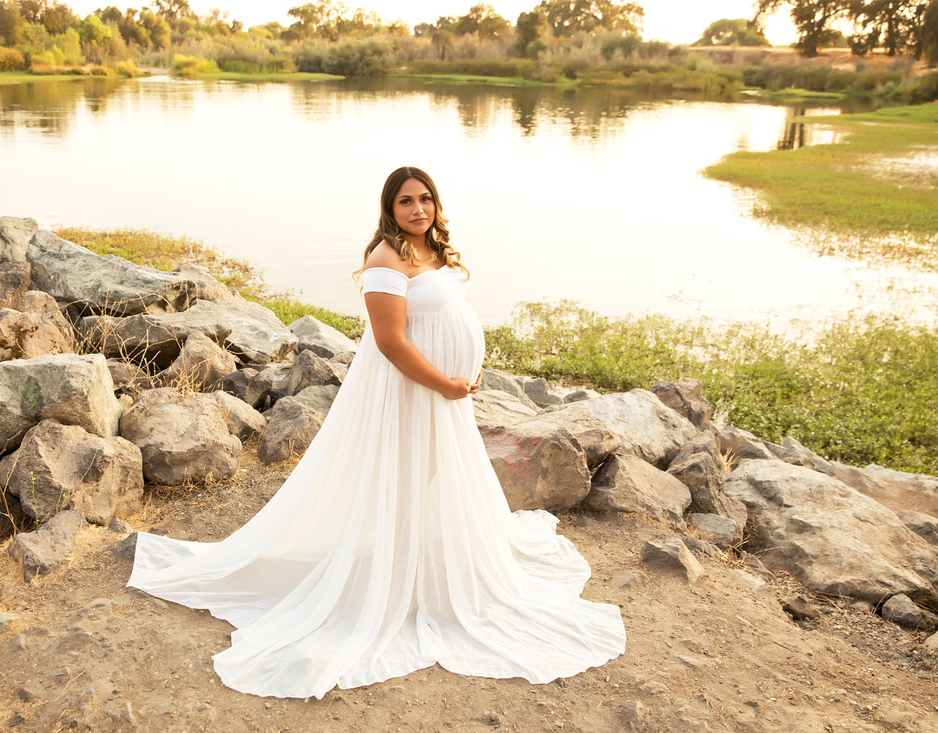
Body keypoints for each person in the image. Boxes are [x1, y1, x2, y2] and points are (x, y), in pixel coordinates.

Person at [127, 166, 626, 699]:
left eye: (426, 199)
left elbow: (448, 312)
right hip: (412, 389)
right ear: (390, 210)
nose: (418, 209)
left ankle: (412, 555)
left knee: (431, 471)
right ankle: (394, 572)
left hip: (445, 391)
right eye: (406, 201)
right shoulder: (385, 260)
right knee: (406, 469)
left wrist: (465, 373)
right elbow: (390, 342)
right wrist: (445, 382)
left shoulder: (432, 251)